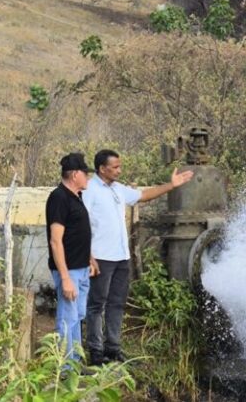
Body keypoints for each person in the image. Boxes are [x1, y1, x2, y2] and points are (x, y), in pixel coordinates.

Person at [83, 149, 194, 365]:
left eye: (119, 166)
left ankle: (113, 349)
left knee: (117, 303)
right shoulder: (90, 190)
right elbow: (82, 224)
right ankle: (96, 353)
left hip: (120, 256)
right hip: (100, 257)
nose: (119, 170)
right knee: (97, 305)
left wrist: (171, 185)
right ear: (102, 169)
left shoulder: (117, 189)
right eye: (115, 167)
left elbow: (142, 196)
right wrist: (89, 256)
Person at [45, 152, 99, 368]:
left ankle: (75, 364)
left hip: (81, 268)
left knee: (77, 316)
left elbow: (78, 233)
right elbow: (56, 241)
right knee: (67, 318)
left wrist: (89, 259)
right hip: (69, 271)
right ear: (75, 174)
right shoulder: (59, 198)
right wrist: (65, 278)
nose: (88, 178)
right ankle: (65, 368)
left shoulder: (76, 197)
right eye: (86, 174)